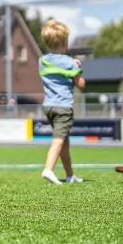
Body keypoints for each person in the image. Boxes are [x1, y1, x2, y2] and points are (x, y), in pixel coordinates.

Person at [39, 19, 85, 185]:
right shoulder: (69, 62)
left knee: (64, 141)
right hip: (63, 107)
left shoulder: (42, 61)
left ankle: (70, 175)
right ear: (65, 42)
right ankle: (48, 169)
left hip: (49, 106)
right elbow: (81, 84)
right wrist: (77, 67)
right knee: (59, 140)